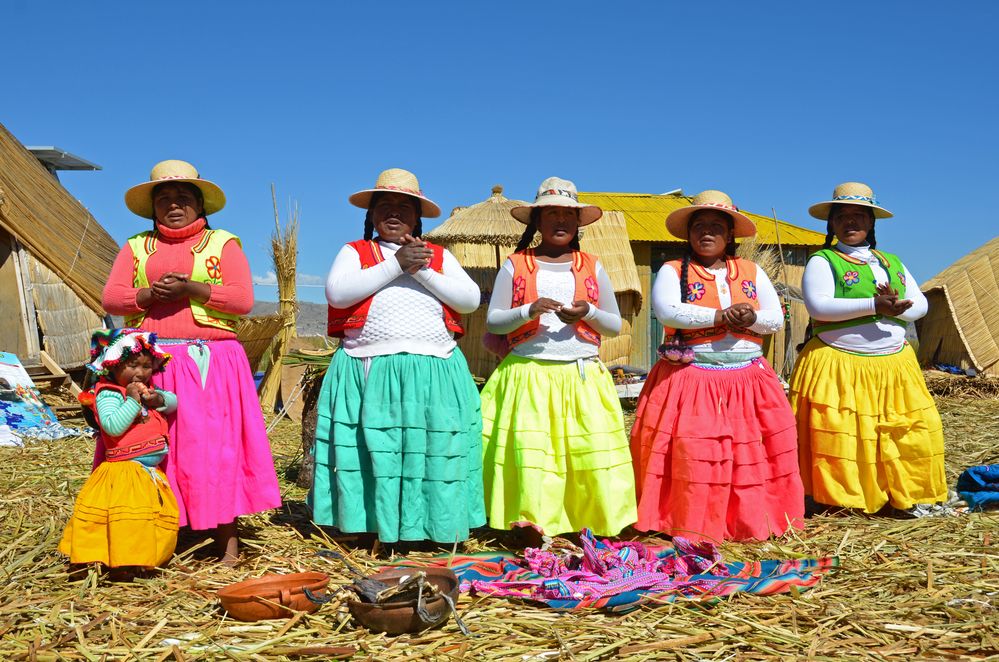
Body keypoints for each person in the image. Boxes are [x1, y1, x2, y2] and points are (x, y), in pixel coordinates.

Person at [103, 160, 281, 563]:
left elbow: (240, 299)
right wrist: (149, 295)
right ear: (153, 207)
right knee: (151, 444)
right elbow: (111, 298)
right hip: (150, 363)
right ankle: (162, 534)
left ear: (201, 205)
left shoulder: (223, 244)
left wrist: (190, 289)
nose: (174, 204)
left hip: (210, 361)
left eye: (184, 197)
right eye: (164, 198)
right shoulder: (136, 247)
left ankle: (226, 544)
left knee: (212, 448)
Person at [309, 168, 484, 545]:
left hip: (434, 369)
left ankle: (431, 529)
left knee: (434, 452)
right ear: (371, 216)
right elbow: (338, 295)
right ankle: (371, 527)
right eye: (384, 206)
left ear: (417, 218)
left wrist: (419, 269)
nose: (393, 213)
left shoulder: (438, 256)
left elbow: (469, 300)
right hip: (371, 367)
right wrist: (395, 264)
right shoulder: (355, 252)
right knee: (376, 450)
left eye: (404, 207)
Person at [630, 190, 804, 542]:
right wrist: (719, 315)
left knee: (749, 453)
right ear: (688, 233)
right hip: (691, 380)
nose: (707, 233)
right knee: (696, 454)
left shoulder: (751, 271)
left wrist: (751, 317)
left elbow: (775, 319)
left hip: (748, 379)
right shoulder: (672, 270)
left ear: (730, 236)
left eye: (716, 227)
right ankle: (692, 521)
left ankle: (750, 521)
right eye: (700, 226)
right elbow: (667, 310)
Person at [481, 176, 637, 538]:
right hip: (528, 376)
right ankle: (530, 523)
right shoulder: (516, 265)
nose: (560, 221)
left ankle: (591, 521)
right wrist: (529, 311)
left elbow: (614, 325)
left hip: (581, 376)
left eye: (567, 214)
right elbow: (493, 320)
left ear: (578, 221)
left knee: (586, 453)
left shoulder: (592, 266)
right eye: (551, 213)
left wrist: (588, 313)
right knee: (534, 456)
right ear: (537, 221)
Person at [790, 182, 946, 516]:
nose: (851, 223)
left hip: (893, 368)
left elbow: (919, 305)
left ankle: (900, 495)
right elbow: (819, 307)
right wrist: (875, 305)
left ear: (872, 222)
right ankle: (840, 499)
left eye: (859, 216)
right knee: (841, 436)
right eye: (843, 216)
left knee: (907, 432)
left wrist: (896, 307)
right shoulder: (823, 260)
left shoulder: (891, 261)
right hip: (838, 367)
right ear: (831, 224)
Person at [60, 329, 179, 571]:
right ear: (112, 366)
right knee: (126, 521)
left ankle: (141, 560)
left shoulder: (148, 391)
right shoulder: (109, 394)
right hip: (125, 473)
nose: (141, 373)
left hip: (145, 473)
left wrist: (158, 400)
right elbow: (113, 427)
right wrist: (133, 402)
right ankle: (121, 563)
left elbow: (174, 401)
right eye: (133, 365)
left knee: (143, 521)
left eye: (147, 366)